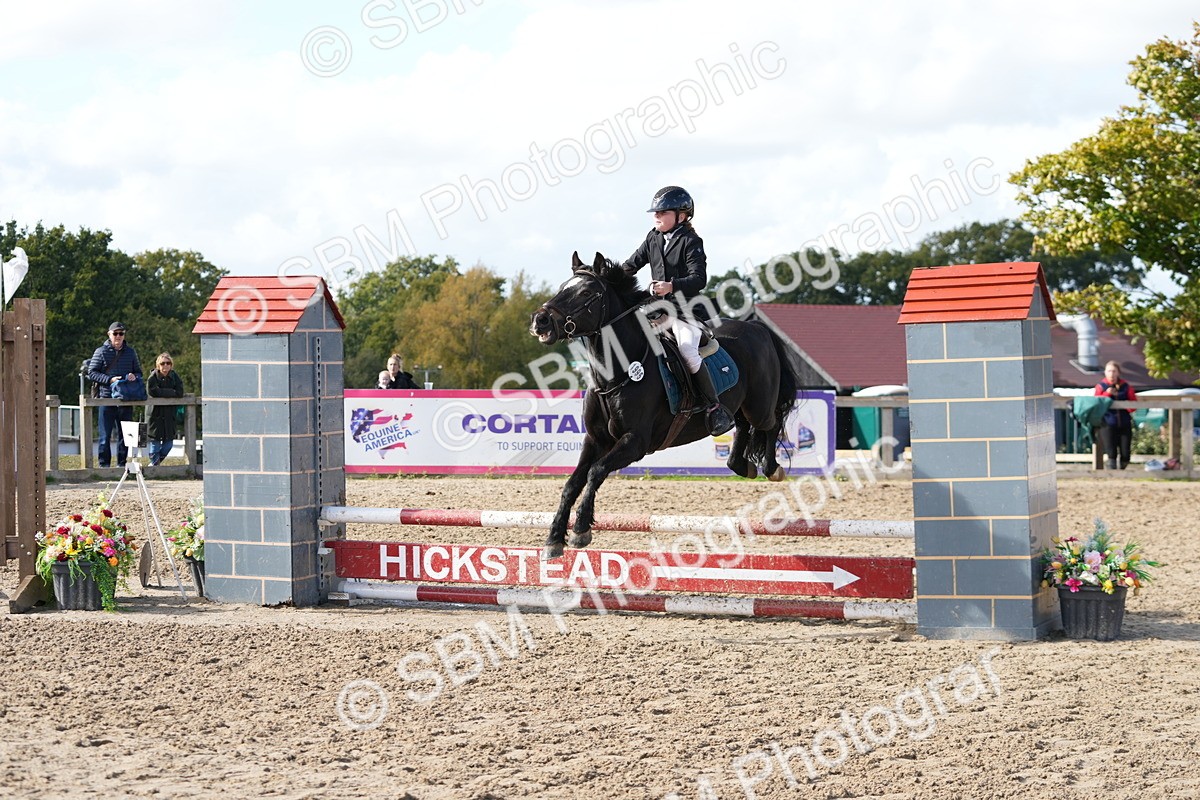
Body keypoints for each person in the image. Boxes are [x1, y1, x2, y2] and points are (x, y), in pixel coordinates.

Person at [619, 185, 734, 435]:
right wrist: (608, 276)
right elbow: (631, 265)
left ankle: (715, 409)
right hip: (654, 311)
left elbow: (699, 279)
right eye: (655, 213)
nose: (656, 217)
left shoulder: (691, 241)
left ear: (681, 216)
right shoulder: (653, 237)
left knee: (687, 351)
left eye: (662, 212)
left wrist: (670, 286)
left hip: (685, 311)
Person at [87, 322, 143, 468]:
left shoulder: (131, 352)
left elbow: (139, 372)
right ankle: (104, 466)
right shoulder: (100, 351)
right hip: (106, 398)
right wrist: (109, 380)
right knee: (105, 436)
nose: (118, 336)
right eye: (115, 333)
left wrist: (133, 376)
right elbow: (92, 373)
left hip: (125, 398)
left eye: (121, 333)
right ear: (109, 334)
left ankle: (122, 465)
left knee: (125, 435)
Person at [1094, 360, 1137, 469]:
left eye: (1114, 371)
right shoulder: (1100, 386)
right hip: (1107, 422)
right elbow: (1096, 403)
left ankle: (1123, 470)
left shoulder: (1126, 386)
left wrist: (1124, 403)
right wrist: (1107, 393)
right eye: (1109, 371)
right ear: (1105, 372)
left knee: (1125, 452)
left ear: (1118, 372)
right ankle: (1111, 475)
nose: (1111, 374)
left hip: (1124, 422)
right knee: (1111, 452)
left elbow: (1134, 405)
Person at [147, 352, 185, 466]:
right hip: (155, 415)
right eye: (163, 363)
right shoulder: (152, 377)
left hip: (169, 415)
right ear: (158, 365)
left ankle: (155, 465)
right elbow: (152, 391)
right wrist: (170, 392)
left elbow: (179, 392)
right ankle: (154, 467)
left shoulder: (174, 376)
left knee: (169, 444)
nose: (165, 366)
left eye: (168, 363)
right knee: (155, 444)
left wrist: (162, 392)